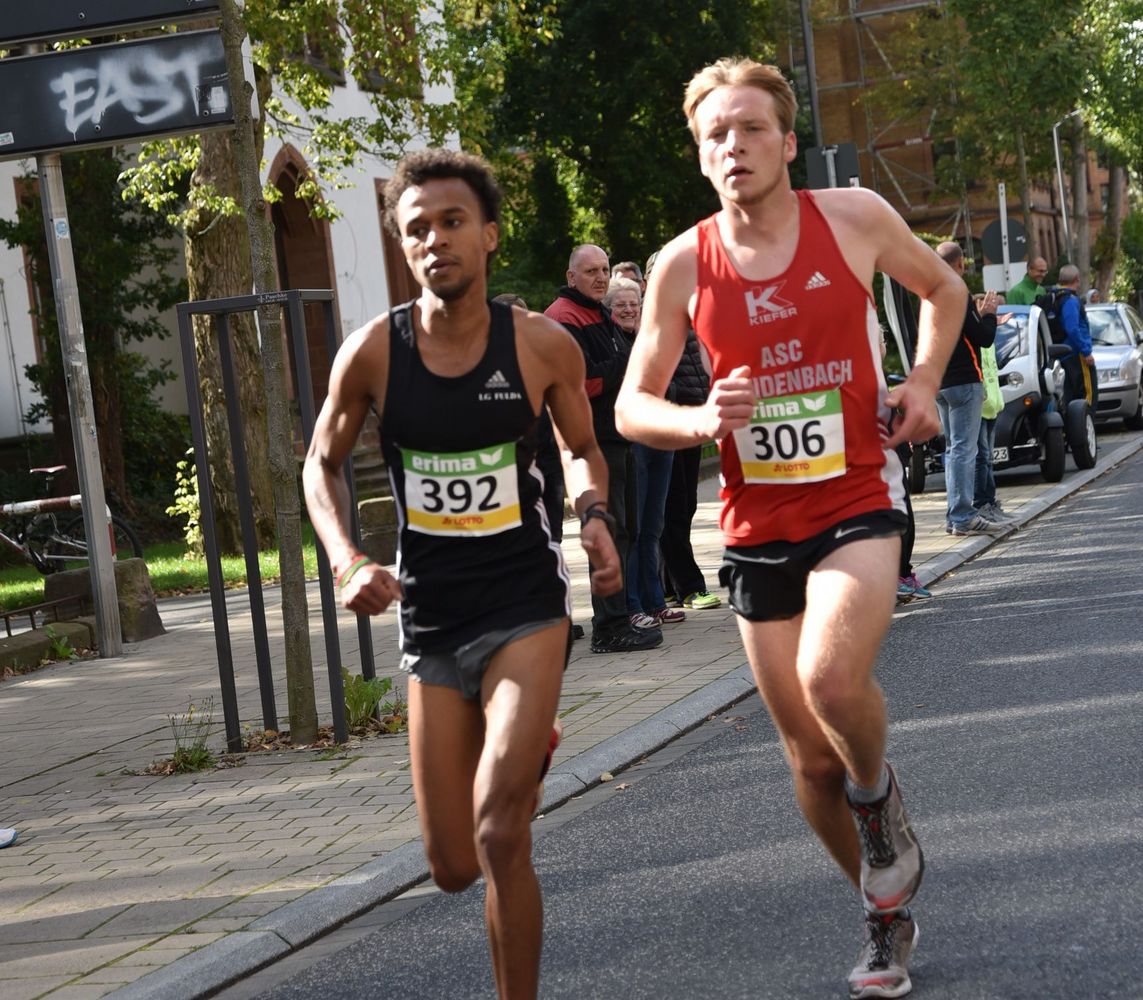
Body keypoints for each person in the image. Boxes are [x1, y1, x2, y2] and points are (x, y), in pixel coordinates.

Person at [615, 57, 967, 999]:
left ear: (785, 140)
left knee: (827, 676)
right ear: (701, 158)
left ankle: (879, 800)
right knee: (806, 758)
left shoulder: (850, 217)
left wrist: (923, 383)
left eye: (749, 128)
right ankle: (884, 912)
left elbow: (943, 292)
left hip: (855, 493)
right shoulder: (682, 263)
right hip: (754, 518)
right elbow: (629, 405)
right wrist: (698, 423)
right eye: (714, 136)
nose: (733, 146)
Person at [303, 149, 622, 1000]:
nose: (435, 240)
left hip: (525, 605)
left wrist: (591, 516)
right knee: (448, 865)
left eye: (451, 223)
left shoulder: (541, 346)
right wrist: (347, 560)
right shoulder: (373, 352)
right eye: (416, 229)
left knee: (496, 831)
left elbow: (583, 447)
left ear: (487, 236)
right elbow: (319, 464)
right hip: (432, 616)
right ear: (402, 248)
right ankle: (521, 750)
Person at [546, 246, 661, 653]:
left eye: (604, 269)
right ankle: (609, 629)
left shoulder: (598, 313)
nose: (599, 276)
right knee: (608, 533)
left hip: (615, 438)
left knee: (623, 532)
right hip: (589, 444)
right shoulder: (563, 317)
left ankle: (617, 617)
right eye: (590, 270)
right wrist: (625, 363)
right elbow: (583, 384)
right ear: (571, 275)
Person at [492, 293, 583, 641]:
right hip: (506, 477)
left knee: (552, 543)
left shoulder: (542, 360)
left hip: (547, 468)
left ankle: (558, 616)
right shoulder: (487, 369)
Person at [603, 277, 683, 628]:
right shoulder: (612, 342)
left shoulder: (650, 340)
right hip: (631, 441)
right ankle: (633, 604)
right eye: (621, 304)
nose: (628, 310)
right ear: (610, 310)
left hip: (659, 439)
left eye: (634, 304)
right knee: (633, 529)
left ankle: (654, 601)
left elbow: (675, 381)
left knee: (654, 525)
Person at [645, 249, 722, 612]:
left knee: (685, 505)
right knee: (672, 508)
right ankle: (689, 586)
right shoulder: (652, 317)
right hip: (665, 424)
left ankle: (672, 586)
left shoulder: (692, 314)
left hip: (693, 422)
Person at [934, 242, 1005, 536]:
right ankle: (963, 515)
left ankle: (954, 516)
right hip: (965, 381)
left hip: (940, 381)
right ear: (960, 263)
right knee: (965, 449)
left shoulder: (929, 293)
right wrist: (988, 314)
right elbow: (983, 338)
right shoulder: (957, 291)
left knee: (953, 450)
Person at [972, 294, 1015, 524]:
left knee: (988, 458)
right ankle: (981, 504)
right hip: (981, 405)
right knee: (982, 457)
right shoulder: (976, 333)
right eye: (986, 307)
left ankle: (990, 501)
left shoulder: (987, 334)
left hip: (991, 404)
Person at [1054, 264, 1099, 414]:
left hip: (1065, 353)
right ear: (1077, 279)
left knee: (1071, 395)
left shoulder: (1057, 297)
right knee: (1087, 394)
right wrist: (1086, 351)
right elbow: (1072, 327)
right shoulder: (1071, 300)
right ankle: (1086, 427)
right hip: (1076, 353)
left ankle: (1076, 430)